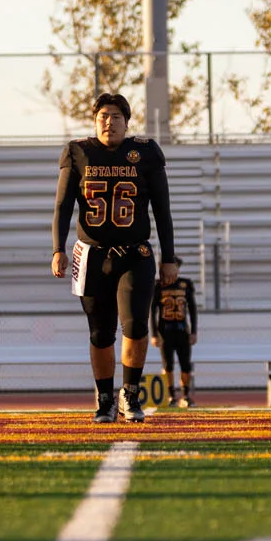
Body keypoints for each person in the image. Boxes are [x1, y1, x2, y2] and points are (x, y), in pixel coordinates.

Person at [52, 92, 177, 423]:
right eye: (103, 116)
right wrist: (57, 248)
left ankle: (130, 397)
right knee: (100, 332)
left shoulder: (145, 152)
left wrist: (170, 257)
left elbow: (162, 210)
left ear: (127, 121)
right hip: (91, 255)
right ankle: (105, 399)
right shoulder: (79, 152)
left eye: (116, 116)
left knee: (135, 326)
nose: (109, 122)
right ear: (95, 122)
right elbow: (63, 205)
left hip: (135, 253)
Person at [151, 257, 198, 407]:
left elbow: (192, 309)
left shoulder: (185, 284)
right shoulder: (159, 286)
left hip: (182, 330)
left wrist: (194, 331)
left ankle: (185, 395)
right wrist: (154, 333)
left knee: (185, 365)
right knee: (168, 365)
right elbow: (152, 311)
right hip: (165, 331)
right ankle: (171, 395)